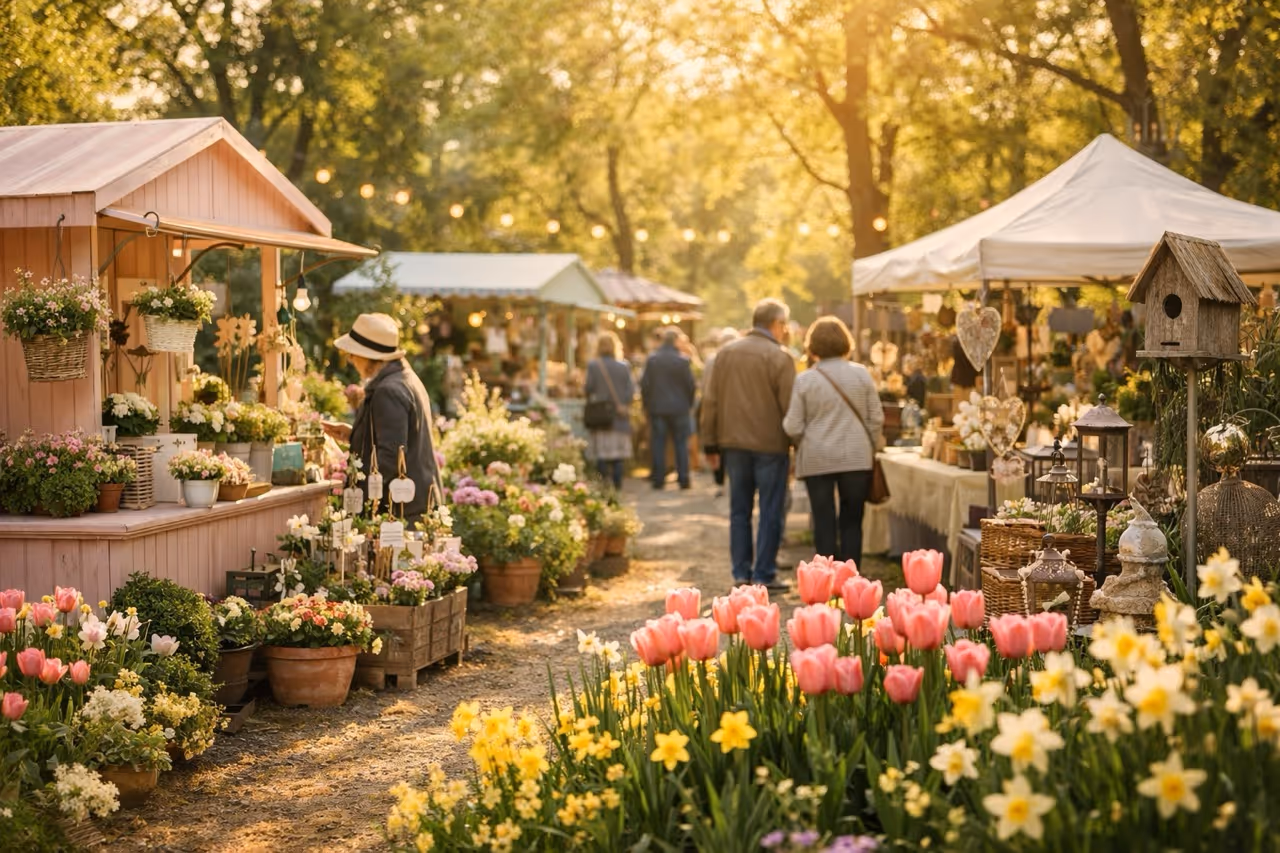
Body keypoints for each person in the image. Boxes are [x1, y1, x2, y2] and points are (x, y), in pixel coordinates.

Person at [701, 298, 795, 590]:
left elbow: (711, 402)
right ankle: (764, 573)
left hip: (733, 444)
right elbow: (789, 408)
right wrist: (795, 446)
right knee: (770, 510)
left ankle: (741, 572)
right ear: (776, 324)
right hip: (771, 445)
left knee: (739, 510)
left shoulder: (725, 354)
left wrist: (710, 444)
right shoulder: (780, 357)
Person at [783, 316, 884, 566]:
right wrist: (868, 444)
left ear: (812, 345)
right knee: (852, 522)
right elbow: (877, 418)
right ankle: (852, 583)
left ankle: (826, 583)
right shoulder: (861, 374)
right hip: (856, 458)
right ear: (845, 342)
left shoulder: (805, 380)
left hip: (817, 459)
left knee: (823, 522)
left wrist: (804, 440)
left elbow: (792, 425)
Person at [325, 313, 440, 523]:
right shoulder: (403, 378)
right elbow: (395, 440)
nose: (350, 360)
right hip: (414, 506)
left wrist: (359, 509)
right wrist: (354, 435)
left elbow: (390, 457)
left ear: (369, 356)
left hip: (403, 511)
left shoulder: (389, 390)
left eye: (353, 354)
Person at [640, 328, 697, 489]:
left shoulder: (653, 360)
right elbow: (691, 385)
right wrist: (689, 404)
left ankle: (659, 479)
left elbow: (645, 385)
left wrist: (646, 406)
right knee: (680, 443)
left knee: (658, 443)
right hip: (680, 408)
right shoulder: (683, 360)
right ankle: (684, 478)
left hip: (658, 408)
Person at [584, 332, 636, 489]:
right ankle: (617, 486)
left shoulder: (594, 365)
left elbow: (588, 388)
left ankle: (604, 486)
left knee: (601, 454)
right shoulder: (624, 366)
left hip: (601, 416)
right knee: (618, 455)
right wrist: (622, 403)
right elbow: (631, 391)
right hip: (619, 417)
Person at [701, 328, 740, 497]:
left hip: (718, 408)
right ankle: (729, 480)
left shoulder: (712, 360)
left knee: (719, 444)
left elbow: (706, 388)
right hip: (734, 409)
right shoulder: (739, 359)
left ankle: (720, 481)